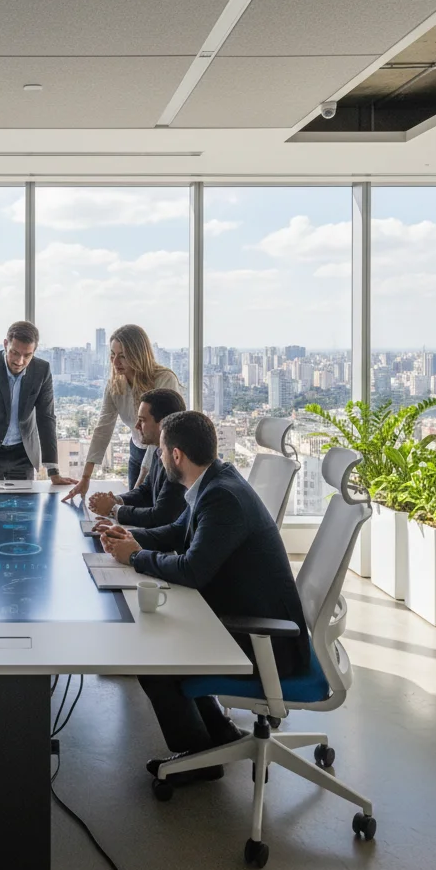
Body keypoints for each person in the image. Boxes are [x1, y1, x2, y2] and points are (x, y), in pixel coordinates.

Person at [99, 411, 309, 785]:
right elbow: (178, 532)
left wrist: (133, 557)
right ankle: (221, 733)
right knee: (160, 635)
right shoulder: (215, 481)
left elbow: (192, 569)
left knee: (151, 655)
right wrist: (127, 536)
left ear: (177, 455)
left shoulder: (221, 497)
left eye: (163, 453)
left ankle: (198, 756)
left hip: (267, 641)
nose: (161, 460)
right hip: (249, 619)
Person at [63, 325, 182, 502]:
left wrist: (136, 489)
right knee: (134, 516)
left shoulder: (164, 379)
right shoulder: (115, 385)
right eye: (112, 355)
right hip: (136, 452)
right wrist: (86, 478)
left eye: (123, 356)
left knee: (155, 511)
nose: (115, 362)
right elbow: (103, 429)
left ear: (138, 355)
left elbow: (161, 432)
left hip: (163, 454)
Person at [0, 321, 78, 486]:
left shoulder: (41, 370)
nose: (19, 361)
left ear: (34, 351)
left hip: (23, 454)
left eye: (27, 355)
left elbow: (46, 418)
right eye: (14, 353)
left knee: (25, 508)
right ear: (5, 344)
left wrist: (54, 472)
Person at [87, 388, 187, 529]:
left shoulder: (178, 461)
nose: (137, 426)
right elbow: (145, 491)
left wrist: (113, 510)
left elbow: (161, 517)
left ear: (163, 423)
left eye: (142, 420)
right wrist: (116, 500)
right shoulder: (159, 451)